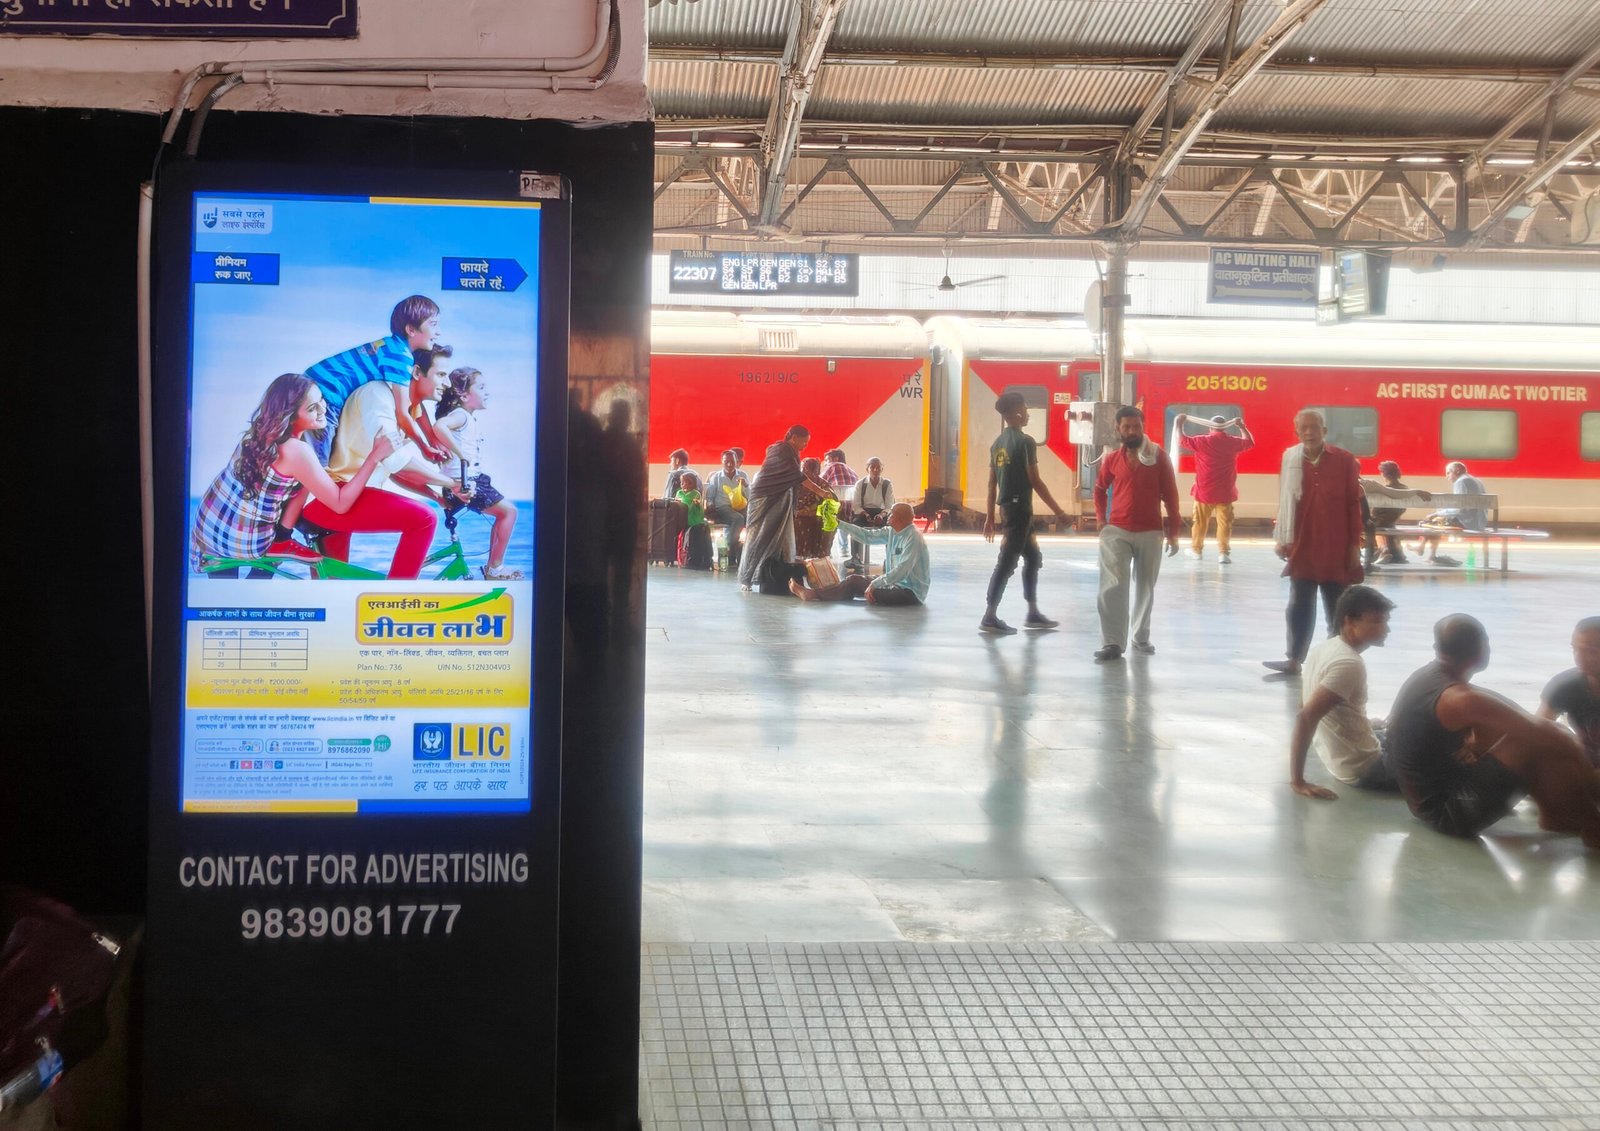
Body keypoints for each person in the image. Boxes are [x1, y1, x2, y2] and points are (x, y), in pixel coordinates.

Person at [1386, 614, 1600, 846]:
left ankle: (1555, 816)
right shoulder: (1460, 698)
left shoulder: (1431, 678)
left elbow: (1517, 716)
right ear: (1481, 649)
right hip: (1447, 812)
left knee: (1532, 733)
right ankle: (1593, 822)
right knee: (1534, 739)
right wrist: (1589, 780)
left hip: (1432, 800)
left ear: (1438, 648)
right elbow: (1549, 735)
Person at [191, 374, 395, 576]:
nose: (323, 409)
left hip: (209, 526)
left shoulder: (256, 435)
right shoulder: (297, 450)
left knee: (226, 595)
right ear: (290, 416)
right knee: (308, 479)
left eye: (321, 400)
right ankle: (276, 548)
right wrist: (374, 456)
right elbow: (340, 504)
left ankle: (280, 540)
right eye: (312, 408)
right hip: (244, 540)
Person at [309, 345, 471, 580]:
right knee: (424, 519)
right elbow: (393, 458)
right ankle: (397, 595)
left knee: (331, 588)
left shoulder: (406, 409)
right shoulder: (378, 394)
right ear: (417, 372)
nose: (447, 384)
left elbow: (395, 471)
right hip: (334, 496)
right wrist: (450, 482)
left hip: (346, 496)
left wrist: (435, 495)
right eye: (441, 375)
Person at [1264, 410, 1364, 676]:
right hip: (1302, 545)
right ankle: (1294, 659)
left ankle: (1336, 659)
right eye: (1303, 428)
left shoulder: (1344, 460)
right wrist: (1282, 539)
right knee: (1298, 605)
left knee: (1337, 608)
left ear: (1325, 431)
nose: (1309, 432)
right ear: (1297, 432)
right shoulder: (1290, 459)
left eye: (1314, 427)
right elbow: (1284, 501)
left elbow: (1354, 505)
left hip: (1336, 545)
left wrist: (1355, 545)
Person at [303, 295, 447, 465]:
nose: (438, 332)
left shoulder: (391, 346)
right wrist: (424, 447)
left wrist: (431, 438)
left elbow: (412, 402)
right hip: (324, 394)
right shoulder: (401, 357)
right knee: (317, 466)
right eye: (433, 324)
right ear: (411, 330)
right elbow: (402, 413)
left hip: (311, 385)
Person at [1287, 585, 1400, 799]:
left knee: (1398, 729)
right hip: (1366, 769)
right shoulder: (1348, 664)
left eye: (1386, 621)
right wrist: (1298, 781)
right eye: (1376, 621)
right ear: (1349, 621)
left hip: (1344, 761)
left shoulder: (1326, 647)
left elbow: (1304, 706)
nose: (1386, 629)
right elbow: (1306, 716)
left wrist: (1362, 725)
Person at [1092, 406, 1181, 661]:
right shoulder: (1111, 460)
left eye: (1136, 427)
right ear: (1118, 430)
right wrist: (1101, 519)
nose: (1132, 431)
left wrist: (1173, 531)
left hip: (1150, 531)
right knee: (1112, 585)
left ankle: (1140, 636)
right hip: (1116, 531)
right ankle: (1112, 643)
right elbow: (1099, 489)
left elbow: (1171, 496)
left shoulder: (1159, 457)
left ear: (1143, 427)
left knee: (1145, 586)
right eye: (1127, 427)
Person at [980, 392, 1069, 635]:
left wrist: (990, 517)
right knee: (1006, 563)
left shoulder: (997, 444)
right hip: (1019, 512)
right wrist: (1059, 511)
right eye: (1025, 408)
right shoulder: (1026, 442)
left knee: (1032, 558)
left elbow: (991, 484)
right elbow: (1035, 481)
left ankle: (1032, 612)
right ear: (1017, 413)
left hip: (1009, 510)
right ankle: (989, 616)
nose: (1028, 413)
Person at [432, 366, 522, 581]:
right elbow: (439, 426)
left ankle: (494, 567)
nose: (487, 392)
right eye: (481, 387)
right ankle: (495, 569)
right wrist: (460, 453)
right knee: (508, 512)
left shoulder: (467, 417)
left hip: (472, 480)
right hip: (464, 483)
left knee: (506, 513)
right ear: (464, 395)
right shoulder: (460, 415)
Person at [736, 425, 832, 593]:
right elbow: (797, 476)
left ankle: (769, 576)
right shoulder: (781, 450)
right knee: (759, 538)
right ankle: (747, 577)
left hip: (780, 499)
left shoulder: (790, 452)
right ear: (793, 437)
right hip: (765, 499)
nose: (805, 446)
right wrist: (821, 492)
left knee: (779, 541)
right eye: (804, 442)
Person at [789, 503, 929, 607]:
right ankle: (815, 593)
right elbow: (867, 536)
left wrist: (875, 583)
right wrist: (839, 524)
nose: (889, 515)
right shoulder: (893, 531)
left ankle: (814, 594)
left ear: (900, 518)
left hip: (910, 593)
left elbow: (902, 571)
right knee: (854, 580)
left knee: (868, 590)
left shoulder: (913, 538)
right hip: (894, 583)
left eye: (892, 513)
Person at [1174, 412, 1253, 563]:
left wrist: (1179, 423)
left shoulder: (1201, 441)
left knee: (1200, 522)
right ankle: (1223, 553)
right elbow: (1249, 442)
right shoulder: (1232, 442)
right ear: (1224, 429)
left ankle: (1196, 550)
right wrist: (1242, 427)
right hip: (1225, 492)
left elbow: (1181, 439)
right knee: (1225, 523)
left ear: (1210, 428)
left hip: (1204, 491)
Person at [1538, 617, 1600, 767]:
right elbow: (1536, 730)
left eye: (1590, 651)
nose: (1579, 657)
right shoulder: (1565, 686)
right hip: (1586, 770)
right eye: (1575, 649)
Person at [1415, 461, 1489, 565]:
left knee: (1432, 521)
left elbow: (1459, 509)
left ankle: (1428, 553)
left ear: (1457, 471)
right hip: (1479, 521)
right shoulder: (1475, 480)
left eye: (1448, 473)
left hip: (1468, 522)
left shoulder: (1461, 481)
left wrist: (1437, 514)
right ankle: (1423, 549)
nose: (1446, 476)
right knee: (1438, 519)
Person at [1360, 460, 1430, 566]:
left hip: (1381, 521)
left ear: (1384, 473)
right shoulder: (1404, 488)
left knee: (1371, 525)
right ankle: (1386, 551)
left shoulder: (1384, 489)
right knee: (1381, 524)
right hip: (1392, 521)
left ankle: (1383, 550)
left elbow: (1376, 510)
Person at [702, 450, 750, 570]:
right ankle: (730, 550)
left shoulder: (742, 475)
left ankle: (743, 553)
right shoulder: (716, 477)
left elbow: (750, 496)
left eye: (732, 462)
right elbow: (710, 496)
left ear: (736, 462)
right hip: (723, 508)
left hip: (740, 506)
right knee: (738, 519)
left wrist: (746, 485)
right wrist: (710, 504)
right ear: (722, 462)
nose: (729, 465)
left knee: (754, 518)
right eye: (726, 462)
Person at [849, 457, 895, 570]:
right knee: (855, 526)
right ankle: (855, 557)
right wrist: (865, 514)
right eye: (872, 467)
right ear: (867, 469)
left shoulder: (887, 484)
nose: (875, 470)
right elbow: (856, 505)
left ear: (882, 469)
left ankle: (889, 557)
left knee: (891, 528)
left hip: (882, 512)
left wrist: (882, 515)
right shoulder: (860, 484)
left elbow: (889, 506)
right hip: (864, 512)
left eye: (878, 468)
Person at [820, 449, 859, 558]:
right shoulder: (852, 471)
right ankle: (844, 549)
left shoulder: (832, 467)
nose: (826, 463)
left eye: (827, 460)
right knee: (842, 522)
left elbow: (818, 482)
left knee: (824, 513)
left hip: (835, 507)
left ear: (836, 458)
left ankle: (826, 550)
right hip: (851, 509)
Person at [675, 470, 713, 571]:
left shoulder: (696, 494)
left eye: (688, 482)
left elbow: (690, 507)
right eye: (682, 483)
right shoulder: (679, 492)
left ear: (693, 484)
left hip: (692, 518)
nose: (685, 485)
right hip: (680, 518)